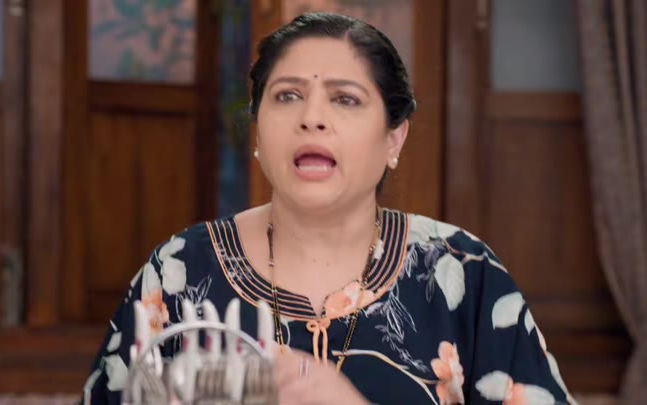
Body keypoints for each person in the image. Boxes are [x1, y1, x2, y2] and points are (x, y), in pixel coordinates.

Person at [82, 12, 575, 405]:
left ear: (394, 138)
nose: (312, 118)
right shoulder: (178, 272)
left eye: (345, 99)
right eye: (287, 96)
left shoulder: (462, 274)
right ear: (258, 130)